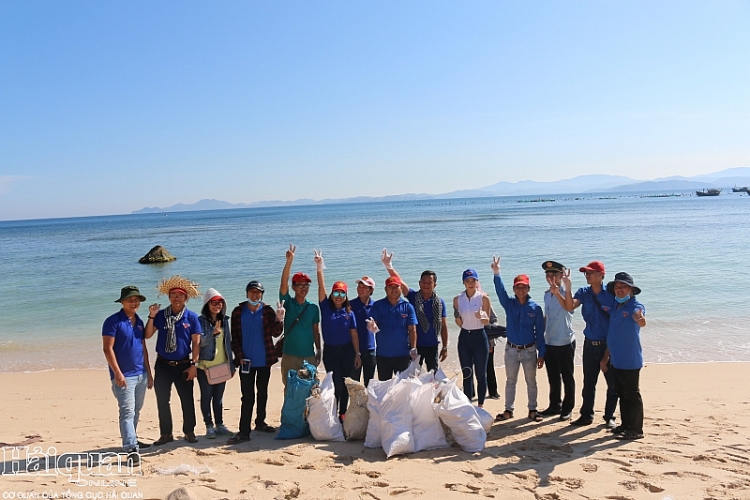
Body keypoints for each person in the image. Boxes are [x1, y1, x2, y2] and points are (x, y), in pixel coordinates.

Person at [145, 275, 202, 445]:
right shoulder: (161, 315)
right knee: (162, 400)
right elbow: (147, 335)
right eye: (173, 295)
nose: (177, 298)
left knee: (187, 400)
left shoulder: (191, 317)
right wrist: (151, 316)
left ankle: (189, 431)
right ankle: (166, 434)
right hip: (163, 365)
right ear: (169, 297)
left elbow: (196, 342)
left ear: (186, 298)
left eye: (180, 295)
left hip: (184, 365)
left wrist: (194, 365)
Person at [563, 261, 618, 428]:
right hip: (589, 344)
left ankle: (609, 417)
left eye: (591, 273)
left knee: (613, 384)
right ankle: (586, 415)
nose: (587, 275)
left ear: (601, 275)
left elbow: (617, 322)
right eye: (586, 273)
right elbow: (569, 306)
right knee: (588, 383)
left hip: (609, 344)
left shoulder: (611, 294)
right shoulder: (584, 292)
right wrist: (567, 288)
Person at [228, 280, 285, 444]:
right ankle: (244, 431)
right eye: (252, 292)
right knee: (247, 397)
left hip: (265, 361)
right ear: (247, 293)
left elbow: (275, 333)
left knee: (263, 393)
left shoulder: (267, 311)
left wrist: (280, 319)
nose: (255, 295)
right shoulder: (238, 312)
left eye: (258, 292)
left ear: (262, 294)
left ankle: (260, 422)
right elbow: (234, 339)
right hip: (246, 363)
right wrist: (239, 356)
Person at [491, 256, 546, 423]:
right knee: (510, 381)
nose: (520, 290)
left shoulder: (535, 308)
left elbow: (540, 333)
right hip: (511, 350)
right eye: (517, 287)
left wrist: (541, 353)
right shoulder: (509, 304)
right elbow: (500, 291)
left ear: (528, 288)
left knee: (531, 382)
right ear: (514, 289)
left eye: (523, 287)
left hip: (529, 350)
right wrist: (496, 273)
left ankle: (532, 409)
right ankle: (509, 410)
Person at [102, 286, 153, 465]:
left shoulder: (138, 320)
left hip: (141, 374)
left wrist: (149, 372)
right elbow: (107, 349)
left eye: (136, 300)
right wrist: (117, 373)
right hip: (124, 376)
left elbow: (143, 347)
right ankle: (131, 448)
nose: (134, 302)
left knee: (136, 410)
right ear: (122, 302)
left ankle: (133, 439)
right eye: (130, 299)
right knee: (127, 411)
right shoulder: (112, 321)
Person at [381, 249, 449, 373]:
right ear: (419, 283)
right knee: (413, 375)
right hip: (415, 346)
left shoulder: (440, 303)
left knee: (432, 375)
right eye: (424, 281)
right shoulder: (413, 296)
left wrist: (445, 347)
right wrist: (389, 266)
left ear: (435, 285)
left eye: (430, 282)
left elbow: (444, 327)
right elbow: (399, 283)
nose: (426, 284)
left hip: (433, 345)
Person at [314, 250, 361, 419]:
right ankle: (333, 411)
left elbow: (354, 334)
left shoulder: (350, 312)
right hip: (331, 352)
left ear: (346, 295)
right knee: (335, 385)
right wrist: (319, 268)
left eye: (342, 293)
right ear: (332, 294)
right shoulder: (326, 308)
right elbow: (321, 287)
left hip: (348, 351)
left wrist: (357, 353)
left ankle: (342, 413)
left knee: (346, 383)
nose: (338, 296)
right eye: (336, 293)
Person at [600, 272, 647, 440]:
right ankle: (626, 425)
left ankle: (636, 430)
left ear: (631, 289)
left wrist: (640, 319)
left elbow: (639, 316)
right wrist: (606, 357)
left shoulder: (635, 305)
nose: (619, 290)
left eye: (623, 287)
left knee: (632, 395)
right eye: (617, 287)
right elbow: (612, 334)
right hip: (616, 359)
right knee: (621, 393)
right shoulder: (616, 307)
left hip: (630, 359)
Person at [279, 244, 322, 387]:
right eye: (300, 285)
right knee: (290, 389)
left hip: (308, 355)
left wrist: (319, 350)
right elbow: (283, 283)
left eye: (306, 285)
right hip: (289, 355)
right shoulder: (288, 304)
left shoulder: (313, 308)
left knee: (310, 390)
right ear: (294, 287)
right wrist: (289, 261)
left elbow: (316, 331)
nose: (303, 288)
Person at [539, 261, 576, 421]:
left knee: (567, 377)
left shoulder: (566, 292)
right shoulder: (547, 294)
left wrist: (558, 293)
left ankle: (567, 409)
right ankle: (555, 405)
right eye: (548, 275)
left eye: (554, 274)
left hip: (565, 341)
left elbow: (568, 307)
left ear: (561, 276)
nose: (551, 277)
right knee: (553, 377)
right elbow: (547, 316)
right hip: (550, 341)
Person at [196, 288, 234, 439]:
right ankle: (209, 426)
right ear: (207, 304)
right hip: (205, 366)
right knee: (206, 396)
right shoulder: (200, 321)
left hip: (222, 365)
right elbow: (199, 343)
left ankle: (220, 425)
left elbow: (228, 344)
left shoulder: (224, 320)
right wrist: (212, 334)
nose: (217, 305)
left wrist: (231, 364)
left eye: (220, 302)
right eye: (213, 302)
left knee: (218, 398)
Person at [366, 275, 418, 380]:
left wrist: (413, 348)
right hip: (383, 355)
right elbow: (372, 323)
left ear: (401, 288)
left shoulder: (408, 307)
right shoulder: (378, 305)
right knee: (385, 387)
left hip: (402, 355)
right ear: (385, 289)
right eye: (390, 287)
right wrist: (372, 327)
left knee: (403, 387)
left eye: (396, 286)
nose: (393, 289)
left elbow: (412, 329)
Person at [453, 269, 491, 407]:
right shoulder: (457, 299)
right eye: (468, 281)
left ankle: (480, 405)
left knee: (481, 374)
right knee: (467, 374)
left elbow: (487, 322)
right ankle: (468, 405)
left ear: (477, 282)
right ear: (464, 282)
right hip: (464, 338)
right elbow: (459, 322)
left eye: (473, 281)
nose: (470, 283)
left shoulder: (483, 298)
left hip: (479, 337)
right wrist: (457, 318)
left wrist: (482, 316)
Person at [350, 276, 377, 387]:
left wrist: (376, 327)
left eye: (364, 287)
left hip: (370, 350)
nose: (360, 289)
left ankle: (368, 404)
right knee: (353, 384)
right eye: (359, 286)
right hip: (354, 350)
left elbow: (381, 326)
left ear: (371, 290)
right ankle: (352, 405)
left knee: (369, 384)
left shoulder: (376, 306)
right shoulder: (350, 305)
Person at [486, 306, 501, 399]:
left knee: (489, 367)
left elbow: (494, 320)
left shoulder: (485, 301)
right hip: (471, 341)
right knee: (470, 367)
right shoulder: (464, 300)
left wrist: (490, 343)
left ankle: (493, 392)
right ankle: (470, 393)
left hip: (488, 340)